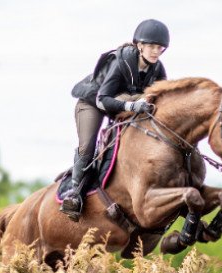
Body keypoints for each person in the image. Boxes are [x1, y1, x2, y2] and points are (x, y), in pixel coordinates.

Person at [60, 19, 170, 221]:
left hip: (119, 105)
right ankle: (74, 194)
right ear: (140, 45)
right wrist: (131, 106)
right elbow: (102, 99)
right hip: (93, 103)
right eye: (151, 46)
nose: (156, 51)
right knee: (88, 146)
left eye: (160, 48)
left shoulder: (157, 69)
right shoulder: (121, 61)